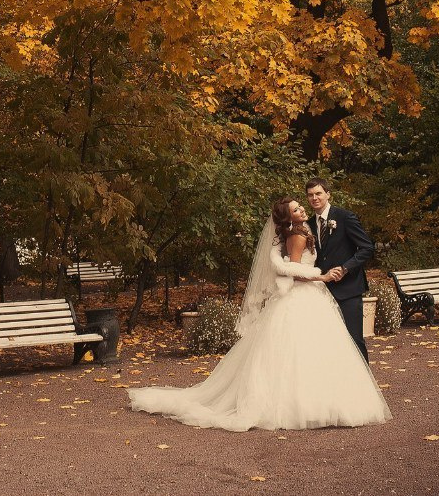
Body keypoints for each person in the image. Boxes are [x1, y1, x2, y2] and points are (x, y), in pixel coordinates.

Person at [126, 198, 391, 431]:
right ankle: (307, 405)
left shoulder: (301, 230)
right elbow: (293, 270)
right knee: (302, 351)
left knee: (310, 351)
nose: (302, 208)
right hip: (302, 298)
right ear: (289, 217)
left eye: (301, 205)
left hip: (310, 297)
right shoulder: (297, 236)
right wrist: (320, 276)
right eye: (297, 208)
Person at [305, 177, 376, 361]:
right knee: (329, 341)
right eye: (311, 195)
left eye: (319, 193)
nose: (315, 198)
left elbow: (367, 248)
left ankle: (364, 385)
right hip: (322, 291)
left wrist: (345, 268)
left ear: (328, 194)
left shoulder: (345, 217)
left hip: (349, 288)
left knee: (354, 339)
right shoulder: (309, 225)